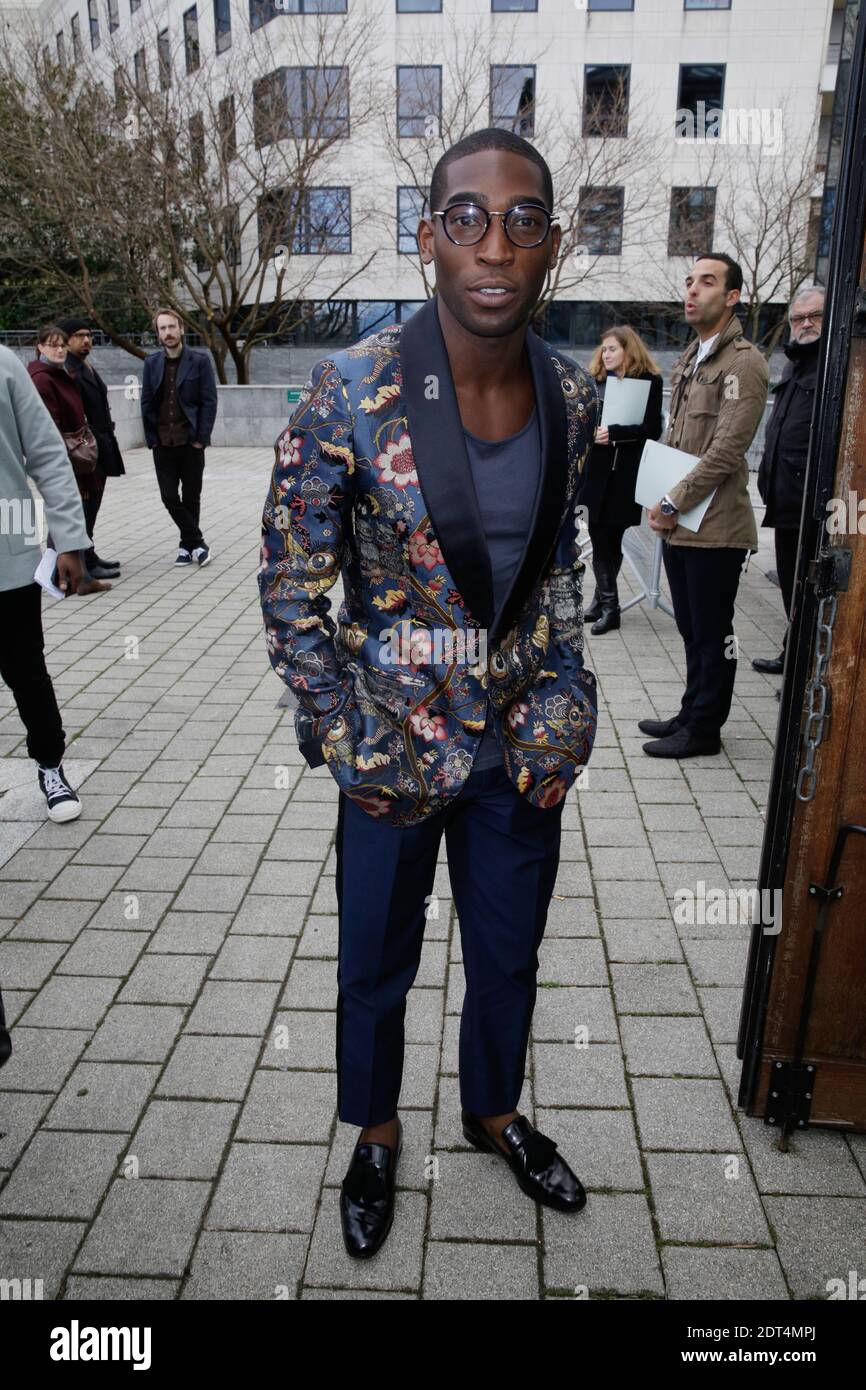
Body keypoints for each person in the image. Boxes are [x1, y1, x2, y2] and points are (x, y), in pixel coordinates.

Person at [260, 127, 599, 1259]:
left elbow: (557, 572)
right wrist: (335, 729)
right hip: (388, 750)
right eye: (466, 218)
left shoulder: (568, 392)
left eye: (520, 220)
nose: (492, 244)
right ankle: (375, 1130)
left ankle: (493, 1109)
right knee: (374, 960)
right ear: (427, 240)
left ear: (552, 244)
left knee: (507, 951)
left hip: (515, 753)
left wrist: (563, 712)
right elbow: (292, 589)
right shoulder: (349, 389)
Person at [642, 252, 769, 758]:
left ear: (732, 296)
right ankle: (690, 711)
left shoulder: (744, 362)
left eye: (707, 282)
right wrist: (659, 498)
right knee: (690, 627)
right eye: (689, 282)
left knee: (715, 633)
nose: (692, 291)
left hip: (717, 527)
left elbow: (726, 450)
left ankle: (705, 731)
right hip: (683, 523)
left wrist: (672, 499)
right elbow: (679, 441)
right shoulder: (695, 357)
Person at [0, 343, 91, 822]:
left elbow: (48, 454)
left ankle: (50, 765)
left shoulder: (4, 364)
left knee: (27, 674)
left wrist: (70, 540)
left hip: (6, 559)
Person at [753, 285, 824, 677]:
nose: (806, 324)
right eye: (798, 318)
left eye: (815, 316)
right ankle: (792, 652)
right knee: (790, 586)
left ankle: (805, 669)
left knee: (809, 590)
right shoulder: (793, 363)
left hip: (815, 503)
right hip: (784, 499)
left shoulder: (837, 363)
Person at [580, 326, 664, 634]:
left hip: (624, 475)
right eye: (604, 349)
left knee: (610, 539)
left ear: (629, 350)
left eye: (613, 348)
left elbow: (652, 429)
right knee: (600, 536)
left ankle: (606, 605)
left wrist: (615, 433)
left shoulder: (650, 382)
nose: (606, 354)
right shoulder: (594, 382)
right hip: (595, 474)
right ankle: (605, 603)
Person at [27, 325, 112, 596]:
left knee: (74, 513)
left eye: (63, 344)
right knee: (65, 513)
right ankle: (61, 577)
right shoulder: (43, 378)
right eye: (53, 344)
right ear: (40, 347)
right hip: (64, 455)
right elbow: (48, 424)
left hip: (74, 451)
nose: (60, 349)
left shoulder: (59, 373)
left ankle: (76, 574)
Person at [140, 308, 218, 567]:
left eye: (172, 327)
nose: (168, 333)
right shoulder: (151, 364)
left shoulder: (200, 361)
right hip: (162, 443)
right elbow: (146, 402)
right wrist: (151, 438)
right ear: (158, 333)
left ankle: (186, 548)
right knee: (169, 497)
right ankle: (198, 542)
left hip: (190, 441)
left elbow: (209, 402)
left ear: (181, 329)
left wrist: (201, 438)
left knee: (191, 497)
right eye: (162, 329)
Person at [56, 317, 124, 581]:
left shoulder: (84, 365)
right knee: (86, 507)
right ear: (67, 340)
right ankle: (84, 561)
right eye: (79, 335)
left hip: (99, 446)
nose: (86, 340)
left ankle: (90, 554)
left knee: (93, 506)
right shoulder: (69, 370)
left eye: (89, 335)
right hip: (85, 450)